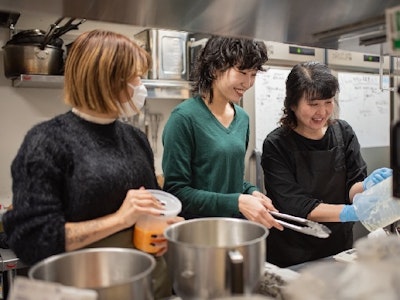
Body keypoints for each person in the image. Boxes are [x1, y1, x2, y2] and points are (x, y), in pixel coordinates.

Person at [2, 29, 182, 299]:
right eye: (137, 76)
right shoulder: (47, 142)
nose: (141, 86)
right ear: (109, 79)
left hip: (148, 287)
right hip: (90, 289)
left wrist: (163, 228)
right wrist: (119, 219)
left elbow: (146, 212)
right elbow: (32, 240)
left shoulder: (135, 138)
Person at [261, 61, 392, 267]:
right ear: (293, 104)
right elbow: (295, 205)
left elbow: (353, 186)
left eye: (328, 102)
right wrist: (350, 212)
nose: (322, 112)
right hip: (292, 252)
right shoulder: (276, 144)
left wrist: (368, 187)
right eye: (313, 104)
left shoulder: (343, 132)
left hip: (337, 247)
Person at [161, 36, 283, 231]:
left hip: (234, 228)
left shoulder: (242, 118)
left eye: (253, 74)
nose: (248, 82)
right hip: (197, 233)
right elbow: (176, 192)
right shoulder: (184, 118)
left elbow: (229, 178)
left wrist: (250, 191)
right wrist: (236, 202)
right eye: (242, 72)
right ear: (214, 68)